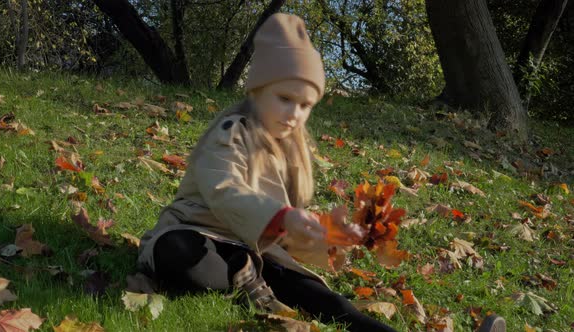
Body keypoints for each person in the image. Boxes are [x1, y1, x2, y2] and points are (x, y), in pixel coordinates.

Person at [137, 13, 506, 332]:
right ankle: (243, 275)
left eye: (305, 105)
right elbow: (224, 189)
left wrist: (329, 237)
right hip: (200, 232)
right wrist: (283, 218)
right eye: (284, 99)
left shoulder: (293, 152)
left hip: (260, 250)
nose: (294, 114)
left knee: (326, 301)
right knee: (179, 254)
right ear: (258, 91)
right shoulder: (232, 131)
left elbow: (290, 232)